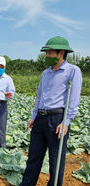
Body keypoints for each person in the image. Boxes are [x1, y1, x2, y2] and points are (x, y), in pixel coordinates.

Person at [20, 36, 82, 186]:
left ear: (61, 53)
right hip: (41, 117)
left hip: (57, 118)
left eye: (50, 53)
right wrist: (34, 116)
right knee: (33, 156)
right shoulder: (45, 73)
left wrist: (66, 122)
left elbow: (73, 100)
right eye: (46, 53)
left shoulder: (72, 71)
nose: (47, 56)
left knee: (56, 159)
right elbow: (39, 97)